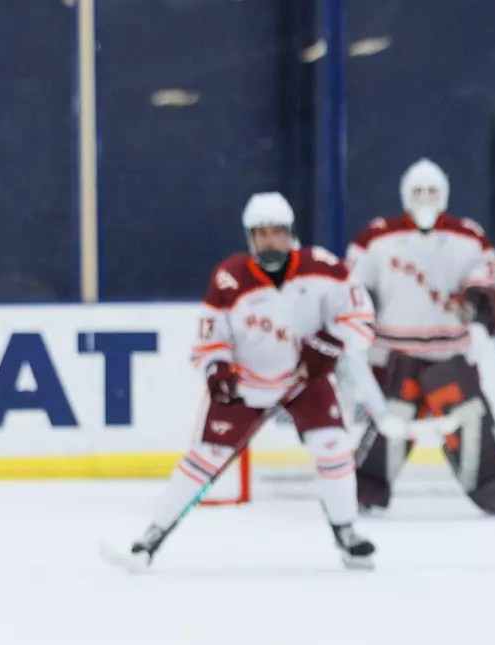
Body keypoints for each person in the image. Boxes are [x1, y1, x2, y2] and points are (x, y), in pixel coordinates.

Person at [119, 192, 377, 569]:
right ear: (250, 238)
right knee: (205, 458)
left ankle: (347, 532)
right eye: (262, 233)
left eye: (277, 232)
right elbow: (210, 338)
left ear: (290, 233)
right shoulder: (230, 278)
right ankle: (150, 538)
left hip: (305, 382)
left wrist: (328, 343)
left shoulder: (325, 267)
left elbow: (361, 319)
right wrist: (216, 368)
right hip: (247, 383)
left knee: (334, 447)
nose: (271, 241)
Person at [346, 158, 495, 515]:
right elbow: (351, 288)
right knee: (389, 426)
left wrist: (476, 299)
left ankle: (494, 492)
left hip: (450, 353)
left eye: (432, 191)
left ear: (444, 194)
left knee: (470, 422)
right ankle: (364, 492)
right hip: (396, 354)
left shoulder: (469, 236)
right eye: (417, 191)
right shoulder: (376, 237)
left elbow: (486, 283)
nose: (425, 198)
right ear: (404, 194)